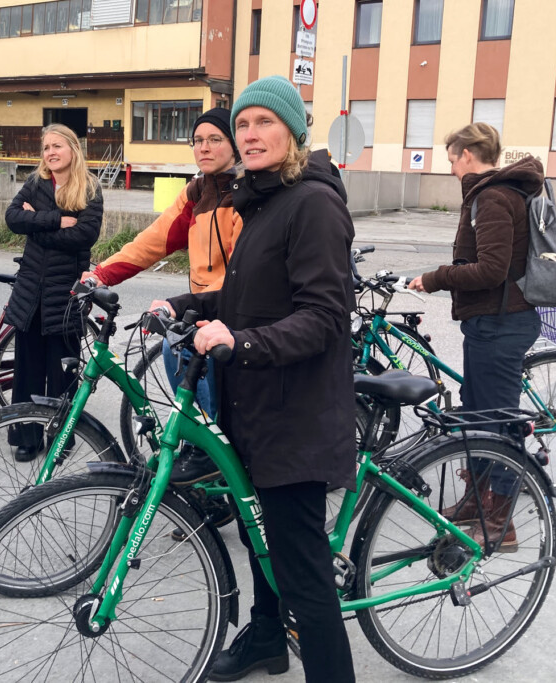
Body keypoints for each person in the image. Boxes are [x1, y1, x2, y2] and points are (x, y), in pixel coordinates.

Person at [152, 75, 356, 683]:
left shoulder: (313, 203)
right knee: (261, 542)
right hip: (258, 412)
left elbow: (323, 318)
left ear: (293, 131)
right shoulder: (262, 200)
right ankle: (268, 640)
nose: (249, 134)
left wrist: (241, 343)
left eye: (264, 122)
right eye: (242, 124)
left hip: (295, 422)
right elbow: (248, 298)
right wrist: (185, 306)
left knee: (305, 577)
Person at [82, 106, 243, 492]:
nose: (204, 147)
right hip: (204, 308)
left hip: (236, 310)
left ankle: (211, 452)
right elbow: (151, 242)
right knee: (177, 351)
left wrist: (184, 303)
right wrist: (100, 274)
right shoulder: (198, 191)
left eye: (214, 139)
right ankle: (211, 474)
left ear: (234, 146)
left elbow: (245, 276)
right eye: (197, 141)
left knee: (188, 362)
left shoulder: (245, 193)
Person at [408, 123, 544, 552]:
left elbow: (491, 269)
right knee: (477, 414)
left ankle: (502, 521)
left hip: (502, 323)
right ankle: (475, 501)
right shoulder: (492, 194)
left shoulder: (492, 197)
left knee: (497, 421)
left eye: (451, 158)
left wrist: (434, 278)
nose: (449, 167)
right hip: (491, 321)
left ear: (468, 153)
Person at [4, 123, 102, 461]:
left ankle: (62, 437)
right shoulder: (35, 183)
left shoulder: (89, 188)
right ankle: (27, 438)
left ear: (73, 149)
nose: (51, 153)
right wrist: (56, 220)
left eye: (57, 146)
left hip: (65, 295)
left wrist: (37, 226)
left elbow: (84, 236)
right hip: (31, 293)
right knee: (27, 371)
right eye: (46, 148)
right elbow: (13, 218)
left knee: (62, 373)